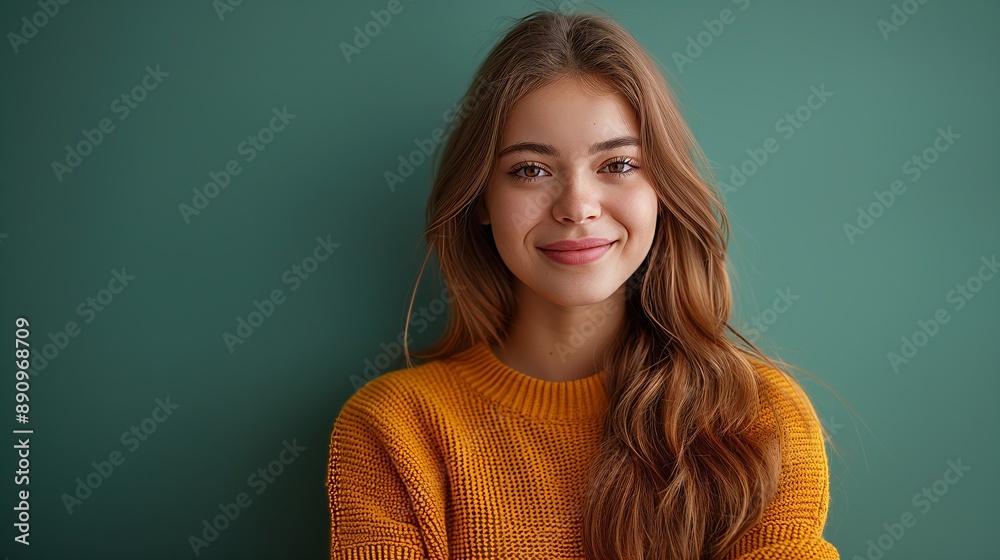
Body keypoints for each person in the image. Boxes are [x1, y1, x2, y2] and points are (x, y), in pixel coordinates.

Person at [328, 7, 842, 559]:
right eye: (530, 169)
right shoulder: (394, 430)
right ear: (481, 200)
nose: (577, 207)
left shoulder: (759, 417)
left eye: (618, 164)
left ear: (662, 191)